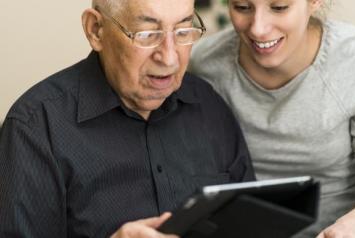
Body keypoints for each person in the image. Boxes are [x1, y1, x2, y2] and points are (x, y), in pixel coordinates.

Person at [0, 0, 255, 237]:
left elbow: (252, 224)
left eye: (182, 30)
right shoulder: (36, 126)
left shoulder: (209, 105)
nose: (169, 57)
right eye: (147, 34)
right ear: (96, 30)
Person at [189, 0, 355, 237]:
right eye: (242, 7)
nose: (258, 28)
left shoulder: (352, 62)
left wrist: (349, 226)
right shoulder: (203, 65)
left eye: (279, 7)